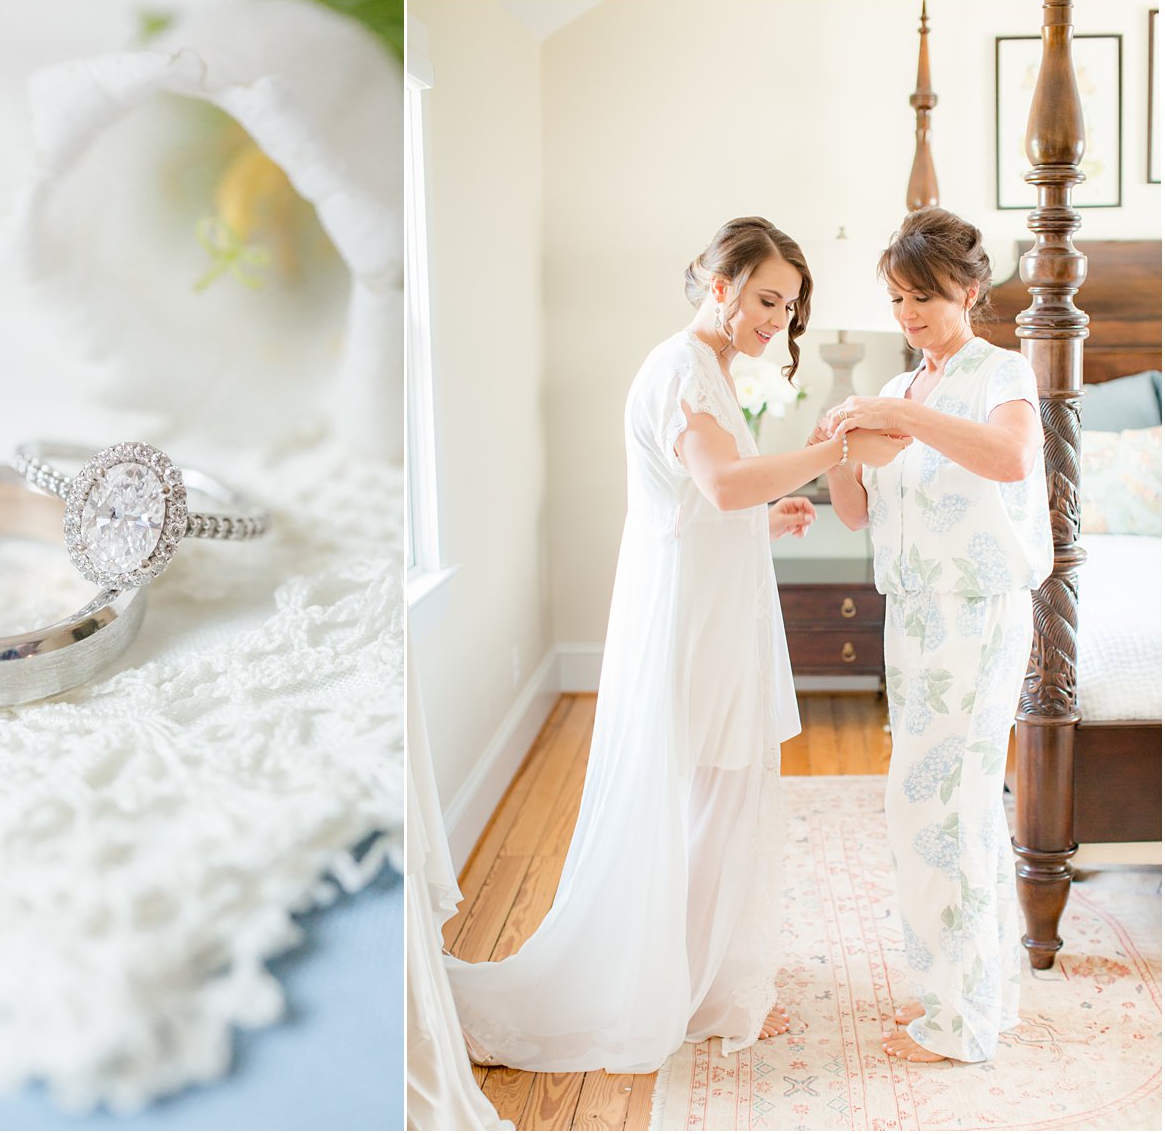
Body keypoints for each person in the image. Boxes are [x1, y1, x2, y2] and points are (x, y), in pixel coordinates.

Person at [444, 217, 910, 1073]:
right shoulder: (682, 368)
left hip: (707, 598)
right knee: (703, 792)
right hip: (689, 617)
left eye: (791, 306)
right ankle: (670, 985)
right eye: (768, 299)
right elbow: (722, 480)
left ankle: (696, 981)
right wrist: (832, 448)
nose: (779, 320)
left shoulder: (709, 369)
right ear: (719, 283)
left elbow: (700, 502)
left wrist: (764, 519)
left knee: (716, 792)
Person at [818, 206, 1051, 1063]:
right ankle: (979, 998)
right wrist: (841, 445)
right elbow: (859, 512)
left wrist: (903, 419)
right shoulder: (906, 388)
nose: (909, 314)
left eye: (924, 296)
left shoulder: (1001, 371)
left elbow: (1012, 459)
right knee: (948, 812)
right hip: (913, 621)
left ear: (971, 289)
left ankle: (957, 1022)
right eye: (897, 298)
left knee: (936, 811)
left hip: (976, 612)